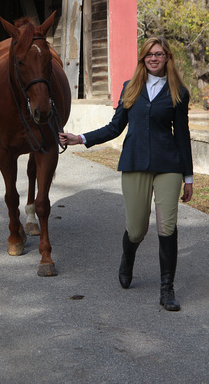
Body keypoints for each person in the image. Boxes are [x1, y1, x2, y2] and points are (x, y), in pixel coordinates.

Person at [59, 36, 193, 312]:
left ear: (167, 57)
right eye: (148, 55)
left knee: (167, 227)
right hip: (134, 164)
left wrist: (188, 177)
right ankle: (127, 258)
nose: (153, 58)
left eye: (159, 54)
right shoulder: (130, 88)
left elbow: (182, 135)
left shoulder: (178, 91)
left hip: (169, 165)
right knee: (137, 229)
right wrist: (80, 138)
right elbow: (114, 127)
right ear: (143, 59)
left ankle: (167, 289)